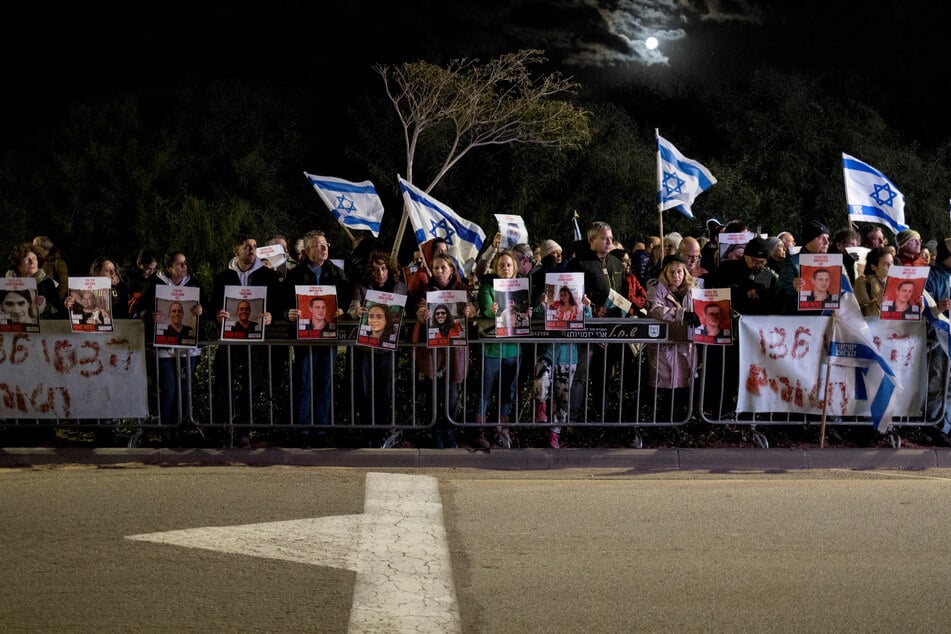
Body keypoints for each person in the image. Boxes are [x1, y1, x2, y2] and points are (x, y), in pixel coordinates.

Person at [211, 234, 280, 446]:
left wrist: (271, 317)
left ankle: (243, 431)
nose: (251, 250)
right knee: (224, 384)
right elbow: (213, 303)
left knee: (250, 386)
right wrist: (217, 314)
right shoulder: (223, 277)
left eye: (254, 246)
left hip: (254, 341)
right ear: (236, 251)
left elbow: (277, 305)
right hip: (230, 339)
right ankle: (223, 428)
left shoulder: (268, 276)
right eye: (246, 246)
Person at [284, 230, 349, 440]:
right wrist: (288, 312)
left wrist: (343, 311)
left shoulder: (338, 273)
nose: (324, 248)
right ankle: (301, 429)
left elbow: (348, 301)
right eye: (319, 245)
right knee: (303, 382)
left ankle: (322, 429)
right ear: (307, 250)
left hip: (328, 338)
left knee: (325, 383)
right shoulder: (295, 274)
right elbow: (282, 302)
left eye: (326, 244)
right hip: (304, 338)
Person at [412, 252, 475, 449]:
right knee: (433, 393)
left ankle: (449, 430)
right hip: (433, 350)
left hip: (455, 351)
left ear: (451, 269)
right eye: (436, 267)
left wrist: (469, 311)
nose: (439, 271)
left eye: (443, 267)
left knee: (452, 394)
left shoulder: (462, 289)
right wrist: (423, 313)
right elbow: (420, 308)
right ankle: (435, 431)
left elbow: (473, 309)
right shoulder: (427, 289)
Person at [141, 250, 206, 428]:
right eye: (179, 263)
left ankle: (181, 424)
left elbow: (207, 310)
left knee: (184, 390)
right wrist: (150, 315)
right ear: (169, 268)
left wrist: (202, 311)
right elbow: (142, 310)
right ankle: (166, 427)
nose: (184, 266)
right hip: (164, 346)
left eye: (185, 263)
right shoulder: (155, 284)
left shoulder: (194, 284)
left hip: (188, 347)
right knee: (169, 389)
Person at [347, 250, 405, 430]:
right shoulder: (361, 285)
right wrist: (356, 312)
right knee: (365, 390)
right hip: (366, 348)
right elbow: (353, 307)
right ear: (369, 272)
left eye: (383, 269)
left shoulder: (400, 286)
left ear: (389, 269)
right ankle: (367, 429)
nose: (380, 273)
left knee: (386, 390)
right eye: (375, 270)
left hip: (388, 347)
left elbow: (407, 311)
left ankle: (384, 429)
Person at [534, 287, 592, 448]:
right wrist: (542, 305)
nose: (564, 296)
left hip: (569, 356)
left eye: (567, 293)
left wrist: (587, 307)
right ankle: (541, 406)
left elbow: (588, 321)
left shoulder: (577, 307)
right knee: (541, 378)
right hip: (549, 352)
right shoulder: (551, 306)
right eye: (562, 293)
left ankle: (555, 434)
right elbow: (537, 316)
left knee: (562, 399)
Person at [476, 249, 523, 449]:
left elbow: (523, 311)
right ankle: (478, 430)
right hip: (492, 347)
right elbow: (486, 308)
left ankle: (502, 429)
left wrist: (527, 311)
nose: (505, 268)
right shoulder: (488, 285)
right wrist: (490, 310)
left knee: (508, 391)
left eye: (509, 265)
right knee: (485, 391)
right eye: (502, 265)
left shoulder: (521, 286)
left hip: (513, 348)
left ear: (515, 268)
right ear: (496, 267)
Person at [646, 255, 697, 421]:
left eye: (680, 271)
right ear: (665, 273)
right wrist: (682, 314)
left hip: (685, 342)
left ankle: (682, 418)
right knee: (667, 383)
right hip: (665, 344)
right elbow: (656, 310)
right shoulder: (655, 289)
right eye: (672, 272)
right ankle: (664, 420)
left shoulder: (692, 289)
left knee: (684, 381)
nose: (677, 276)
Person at [925, 238, 951, 446]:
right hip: (938, 339)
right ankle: (934, 425)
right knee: (937, 379)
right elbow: (925, 307)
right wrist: (938, 309)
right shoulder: (931, 276)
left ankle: (947, 424)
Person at [778, 220, 830, 314]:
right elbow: (780, 294)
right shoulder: (792, 263)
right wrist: (793, 288)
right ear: (809, 241)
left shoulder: (833, 262)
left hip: (828, 320)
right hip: (802, 321)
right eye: (821, 238)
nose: (826, 242)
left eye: (827, 238)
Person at [5, 242, 64, 319]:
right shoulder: (6, 284)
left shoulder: (47, 282)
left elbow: (57, 309)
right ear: (18, 264)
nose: (32, 262)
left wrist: (42, 307)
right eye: (27, 259)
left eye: (34, 258)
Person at [854, 247, 893, 316]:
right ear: (873, 267)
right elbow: (861, 312)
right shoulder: (863, 282)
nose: (891, 266)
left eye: (892, 263)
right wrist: (877, 303)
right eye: (886, 264)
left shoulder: (897, 282)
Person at [31, 236, 70, 302]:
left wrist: (57, 302)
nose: (34, 250)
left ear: (43, 248)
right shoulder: (46, 261)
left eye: (35, 247)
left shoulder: (58, 262)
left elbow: (65, 285)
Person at [124, 248, 158, 318]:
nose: (151, 272)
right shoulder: (126, 277)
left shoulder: (154, 279)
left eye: (153, 269)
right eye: (148, 269)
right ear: (139, 263)